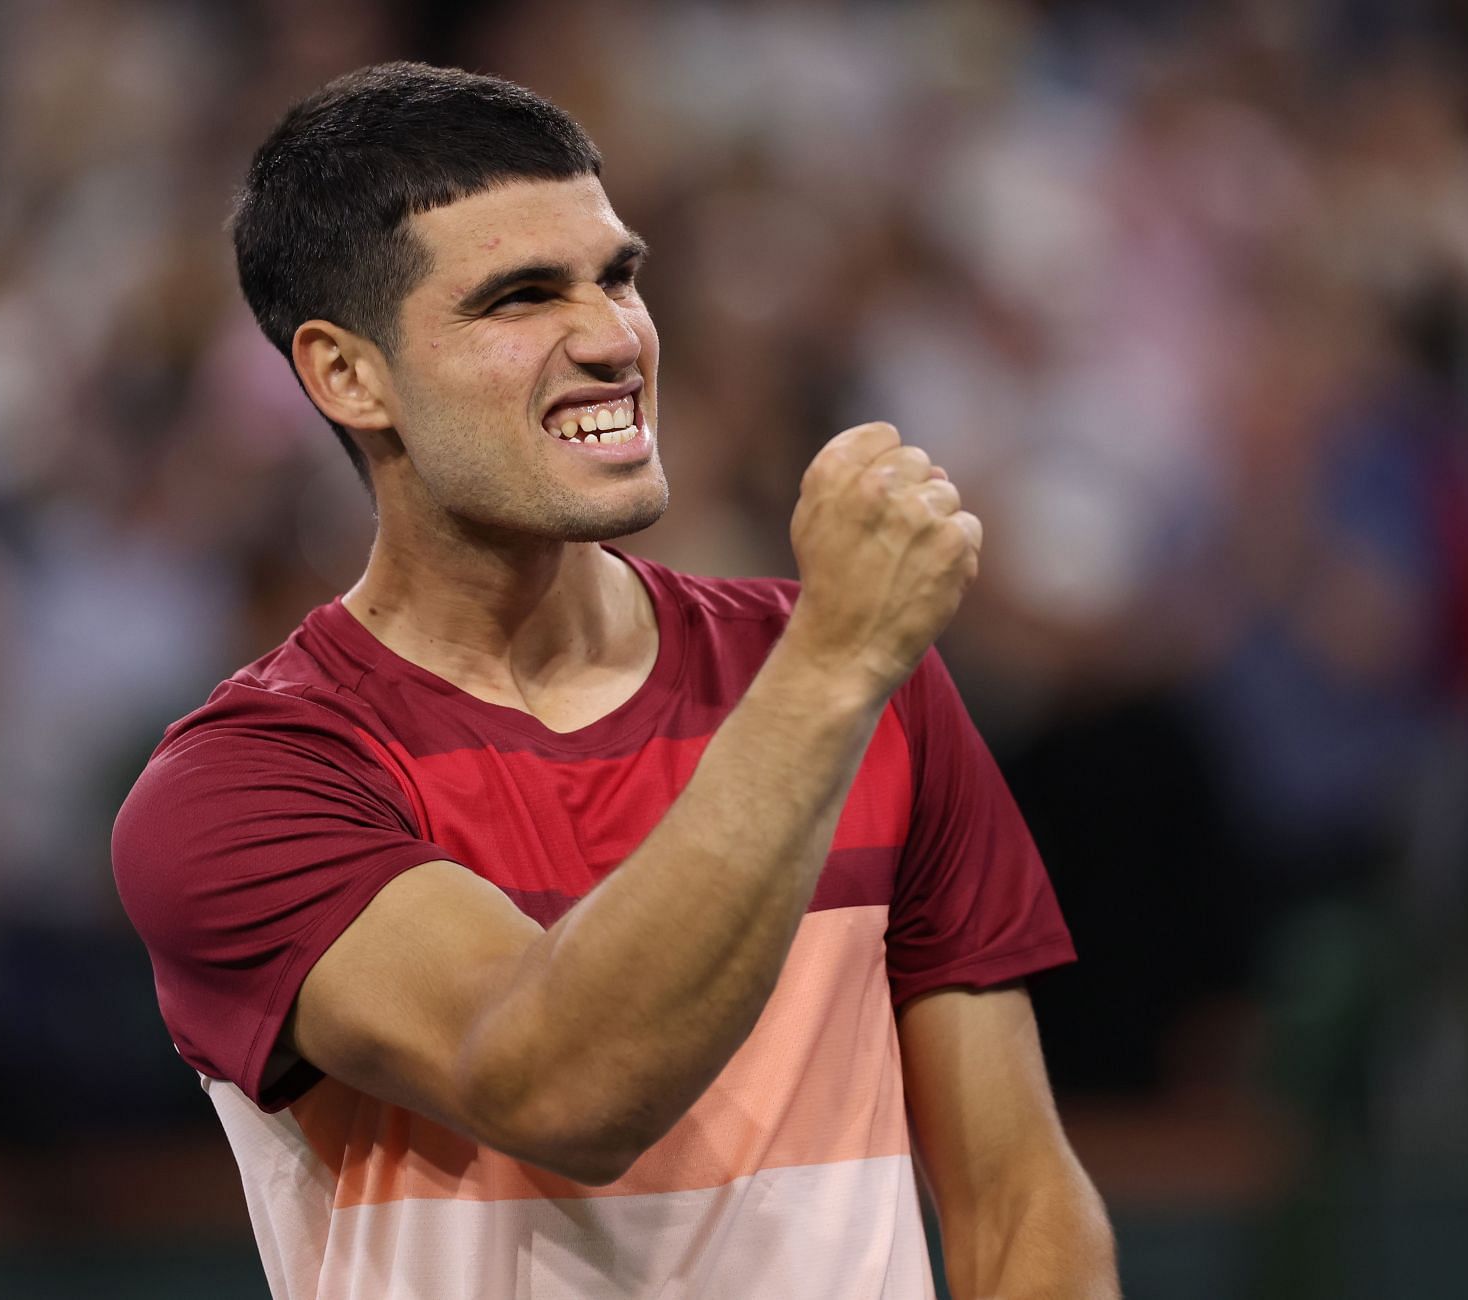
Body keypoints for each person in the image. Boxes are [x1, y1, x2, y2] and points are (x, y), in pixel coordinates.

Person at [111, 61, 1118, 1300]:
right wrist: (838, 663)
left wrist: (840, 665)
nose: (611, 338)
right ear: (346, 375)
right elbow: (560, 1082)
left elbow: (1019, 1198)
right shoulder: (242, 786)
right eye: (521, 297)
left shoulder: (861, 682)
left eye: (618, 276)